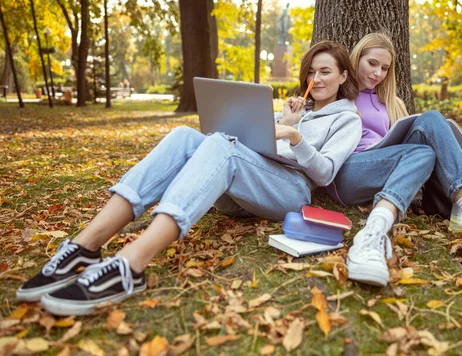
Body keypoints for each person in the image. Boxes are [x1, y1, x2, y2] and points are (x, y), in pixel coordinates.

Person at [16, 40, 362, 315]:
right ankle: (84, 247)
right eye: (312, 72)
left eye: (326, 72)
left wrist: (293, 136)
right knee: (185, 136)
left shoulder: (348, 119)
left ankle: (130, 265)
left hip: (290, 191)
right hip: (250, 181)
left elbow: (326, 172)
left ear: (344, 77)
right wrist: (290, 120)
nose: (315, 79)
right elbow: (258, 139)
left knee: (221, 147)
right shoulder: (299, 111)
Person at [327, 32, 462, 287]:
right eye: (372, 63)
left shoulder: (390, 102)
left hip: (385, 170)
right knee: (426, 134)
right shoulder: (339, 92)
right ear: (357, 59)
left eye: (385, 68)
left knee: (430, 129)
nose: (378, 73)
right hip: (349, 173)